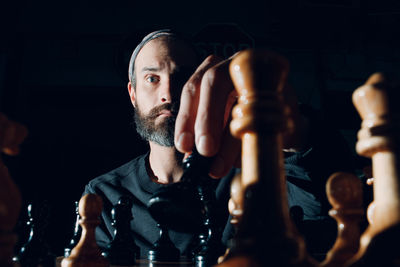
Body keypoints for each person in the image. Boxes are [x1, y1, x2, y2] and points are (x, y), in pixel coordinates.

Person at [83, 29, 356, 259]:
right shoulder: (103, 195)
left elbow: (320, 216)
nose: (167, 93)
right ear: (133, 94)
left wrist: (293, 132)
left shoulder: (253, 179)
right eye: (152, 79)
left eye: (180, 78)